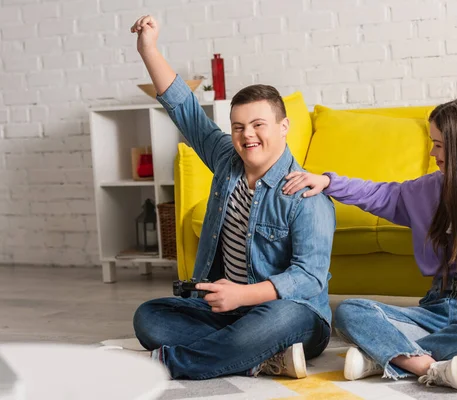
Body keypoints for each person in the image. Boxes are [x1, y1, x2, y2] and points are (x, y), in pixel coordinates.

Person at [282, 99, 457, 391]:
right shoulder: (426, 190)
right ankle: (421, 364)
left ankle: (385, 355)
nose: (433, 153)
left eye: (440, 145)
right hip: (434, 310)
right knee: (349, 311)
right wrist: (328, 182)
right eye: (434, 143)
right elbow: (377, 194)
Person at [130, 15, 335, 380]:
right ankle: (259, 357)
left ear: (283, 127)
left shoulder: (306, 194)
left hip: (291, 313)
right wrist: (148, 48)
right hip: (229, 313)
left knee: (281, 317)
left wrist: (243, 296)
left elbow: (309, 279)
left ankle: (172, 363)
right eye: (238, 127)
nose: (247, 136)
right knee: (149, 317)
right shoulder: (227, 161)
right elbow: (186, 111)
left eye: (259, 125)